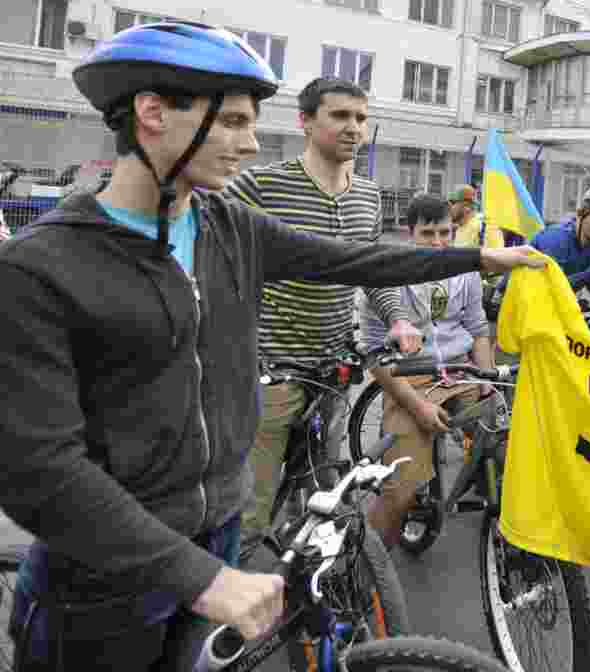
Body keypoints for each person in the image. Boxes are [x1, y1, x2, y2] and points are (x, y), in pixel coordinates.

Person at [0, 22, 542, 671]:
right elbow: (39, 472)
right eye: (230, 121)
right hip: (107, 586)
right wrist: (204, 578)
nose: (250, 142)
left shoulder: (226, 226)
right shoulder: (42, 268)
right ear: (151, 113)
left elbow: (353, 259)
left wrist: (479, 256)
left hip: (216, 532)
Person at [224, 77, 420, 533]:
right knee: (251, 510)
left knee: (319, 499)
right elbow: (204, 231)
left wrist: (398, 319)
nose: (354, 127)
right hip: (271, 372)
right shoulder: (263, 185)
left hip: (333, 372)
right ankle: (235, 595)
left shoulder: (368, 196)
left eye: (361, 118)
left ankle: (303, 595)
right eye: (340, 116)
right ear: (306, 122)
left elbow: (371, 270)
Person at [359, 194, 494, 549]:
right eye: (428, 234)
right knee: (399, 493)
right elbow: (375, 357)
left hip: (459, 370)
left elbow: (479, 330)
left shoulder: (465, 271)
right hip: (407, 377)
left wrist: (487, 382)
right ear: (409, 232)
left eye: (446, 233)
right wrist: (417, 406)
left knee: (503, 445)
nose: (438, 243)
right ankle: (363, 570)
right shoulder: (387, 273)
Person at [449, 184, 503, 249]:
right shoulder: (459, 227)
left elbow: (497, 254)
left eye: (453, 203)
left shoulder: (486, 227)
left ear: (466, 206)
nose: (449, 207)